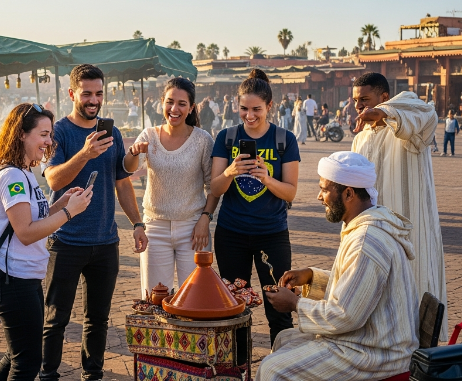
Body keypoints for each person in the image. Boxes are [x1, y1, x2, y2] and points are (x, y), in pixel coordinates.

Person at [258, 151, 418, 381]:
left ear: (348, 193)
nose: (319, 196)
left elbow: (345, 316)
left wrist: (295, 304)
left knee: (274, 369)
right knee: (285, 338)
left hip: (376, 352)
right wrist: (311, 277)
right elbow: (355, 288)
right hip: (366, 339)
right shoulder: (363, 226)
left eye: (324, 189)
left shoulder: (366, 241)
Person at [42, 63, 148, 381]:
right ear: (72, 93)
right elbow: (53, 178)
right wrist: (85, 154)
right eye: (87, 93)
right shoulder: (59, 131)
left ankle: (93, 373)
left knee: (98, 318)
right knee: (56, 318)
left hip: (105, 241)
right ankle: (48, 374)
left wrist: (137, 223)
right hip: (67, 240)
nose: (93, 100)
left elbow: (122, 180)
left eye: (98, 93)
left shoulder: (110, 131)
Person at [0, 103, 93, 381]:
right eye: (43, 134)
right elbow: (27, 232)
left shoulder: (23, 173)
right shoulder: (12, 177)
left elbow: (36, 219)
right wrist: (71, 213)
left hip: (24, 278)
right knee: (27, 362)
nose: (49, 142)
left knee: (17, 355)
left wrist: (62, 203)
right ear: (22, 134)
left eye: (50, 135)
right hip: (12, 281)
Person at [351, 72, 447, 338]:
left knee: (416, 293)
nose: (359, 106)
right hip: (375, 233)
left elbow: (426, 112)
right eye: (356, 101)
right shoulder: (360, 138)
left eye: (365, 99)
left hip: (411, 231)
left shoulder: (408, 125)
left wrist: (383, 112)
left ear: (384, 97)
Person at [211, 68, 300, 346]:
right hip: (231, 234)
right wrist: (230, 172)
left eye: (257, 109)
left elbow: (291, 193)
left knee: (279, 308)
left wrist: (266, 178)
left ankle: (280, 368)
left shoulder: (284, 140)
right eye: (244, 109)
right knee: (234, 308)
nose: (250, 116)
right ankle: (236, 370)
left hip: (271, 235)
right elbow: (214, 189)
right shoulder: (227, 138)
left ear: (269, 106)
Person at [124, 78, 217, 296]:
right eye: (169, 102)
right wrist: (134, 153)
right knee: (155, 297)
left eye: (182, 104)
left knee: (196, 297)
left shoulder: (202, 140)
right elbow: (128, 169)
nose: (174, 109)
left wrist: (206, 218)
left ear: (191, 107)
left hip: (194, 228)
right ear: (162, 103)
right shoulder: (149, 135)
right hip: (155, 228)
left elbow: (213, 186)